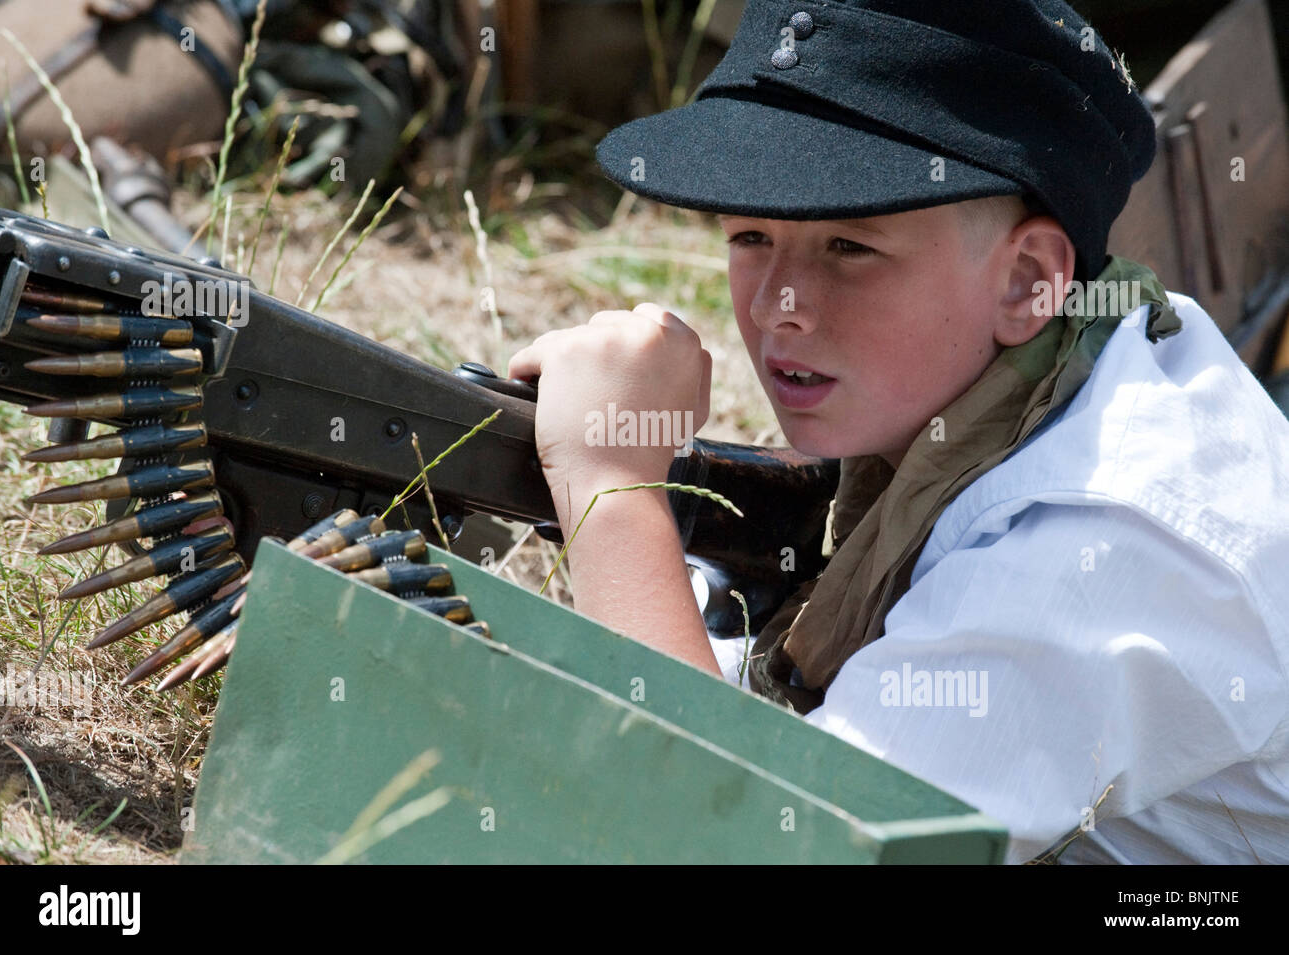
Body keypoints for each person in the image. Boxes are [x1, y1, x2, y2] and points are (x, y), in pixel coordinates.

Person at [507, 0, 1289, 864]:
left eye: (849, 247)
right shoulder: (1059, 368)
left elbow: (745, 847)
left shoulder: (1096, 544)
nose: (776, 306)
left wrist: (614, 498)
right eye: (752, 235)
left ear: (1029, 280)